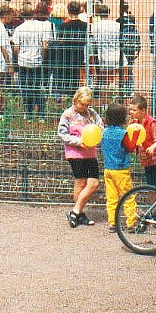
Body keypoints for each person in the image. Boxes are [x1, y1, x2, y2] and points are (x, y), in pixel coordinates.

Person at [58, 86, 103, 227]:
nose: (84, 107)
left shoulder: (92, 114)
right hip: (75, 153)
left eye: (87, 104)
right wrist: (78, 142)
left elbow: (100, 128)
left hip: (90, 152)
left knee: (94, 183)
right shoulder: (67, 114)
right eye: (82, 104)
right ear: (75, 100)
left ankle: (75, 212)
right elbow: (62, 134)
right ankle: (80, 214)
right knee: (81, 182)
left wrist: (95, 139)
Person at [99, 103, 139, 233]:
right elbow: (130, 147)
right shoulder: (123, 133)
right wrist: (136, 134)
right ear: (122, 117)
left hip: (108, 169)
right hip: (121, 170)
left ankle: (112, 223)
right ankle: (131, 223)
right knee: (128, 196)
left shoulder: (104, 132)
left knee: (112, 197)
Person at [128, 93, 156, 186]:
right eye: (130, 110)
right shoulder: (135, 123)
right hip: (146, 160)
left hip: (155, 160)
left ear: (143, 111)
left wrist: (153, 146)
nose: (131, 112)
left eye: (134, 110)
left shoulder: (151, 123)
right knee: (150, 184)